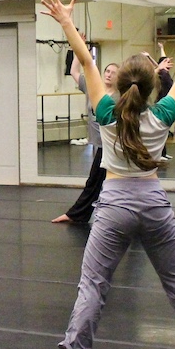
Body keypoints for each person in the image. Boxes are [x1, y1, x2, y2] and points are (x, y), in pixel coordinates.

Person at [42, 0, 175, 349]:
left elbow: (86, 60)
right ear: (152, 87)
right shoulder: (161, 115)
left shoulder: (106, 113)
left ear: (119, 85)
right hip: (153, 203)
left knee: (93, 286)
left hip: (114, 205)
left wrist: (67, 22)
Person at [51, 54, 118, 224]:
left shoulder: (120, 96)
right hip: (98, 144)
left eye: (113, 72)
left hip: (111, 145)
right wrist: (77, 51)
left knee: (96, 181)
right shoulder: (93, 88)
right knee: (102, 181)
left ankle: (77, 214)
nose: (109, 74)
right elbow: (74, 71)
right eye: (107, 71)